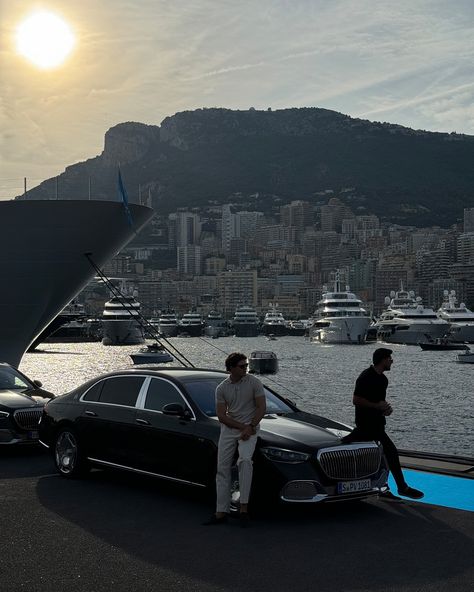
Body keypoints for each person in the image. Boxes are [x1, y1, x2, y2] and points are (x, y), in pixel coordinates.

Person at [342, 348, 424, 500]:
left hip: (378, 424)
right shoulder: (365, 377)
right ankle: (400, 488)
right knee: (390, 453)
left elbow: (379, 401)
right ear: (382, 360)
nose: (392, 361)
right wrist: (377, 406)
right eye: (389, 359)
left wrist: (385, 409)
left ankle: (386, 489)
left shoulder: (383, 380)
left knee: (381, 456)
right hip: (367, 425)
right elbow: (356, 400)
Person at [204, 352, 267, 527]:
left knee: (245, 461)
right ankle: (220, 512)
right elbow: (221, 415)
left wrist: (251, 426)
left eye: (246, 365)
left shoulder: (254, 382)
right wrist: (242, 428)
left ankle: (244, 508)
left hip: (251, 427)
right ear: (231, 368)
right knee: (222, 469)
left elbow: (262, 407)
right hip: (230, 429)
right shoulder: (222, 388)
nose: (246, 368)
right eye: (242, 366)